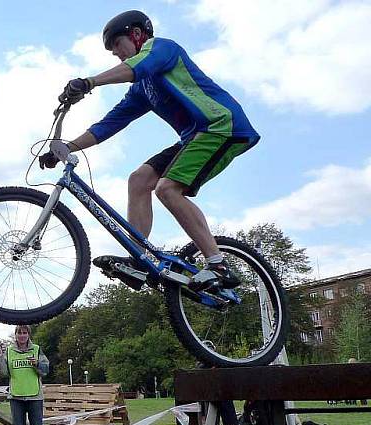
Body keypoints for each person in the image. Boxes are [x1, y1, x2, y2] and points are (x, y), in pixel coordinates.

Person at [40, 10, 260, 292]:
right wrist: (66, 148)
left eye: (117, 45)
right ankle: (140, 259)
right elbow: (111, 123)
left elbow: (137, 66)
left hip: (222, 126)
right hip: (194, 137)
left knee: (168, 189)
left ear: (136, 34)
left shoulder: (162, 49)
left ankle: (217, 265)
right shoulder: (142, 88)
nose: (117, 54)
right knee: (139, 179)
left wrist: (89, 82)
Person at [0, 325, 50, 425]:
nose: (22, 335)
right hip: (16, 396)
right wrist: (0, 358)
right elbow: (3, 373)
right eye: (19, 333)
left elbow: (46, 370)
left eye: (24, 332)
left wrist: (37, 364)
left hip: (35, 395)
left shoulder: (37, 349)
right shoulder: (8, 351)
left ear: (28, 334)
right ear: (15, 335)